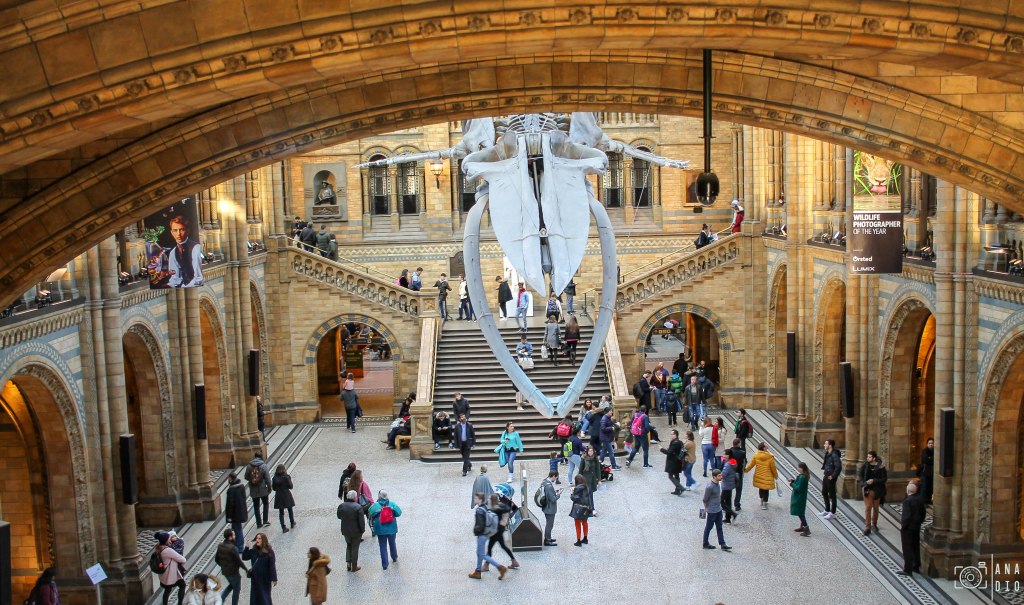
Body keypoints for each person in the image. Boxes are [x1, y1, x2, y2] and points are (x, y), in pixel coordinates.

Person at [469, 492, 508, 580]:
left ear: (480, 500)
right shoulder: (485, 507)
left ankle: (500, 567)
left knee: (482, 555)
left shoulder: (479, 510)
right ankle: (477, 571)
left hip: (482, 535)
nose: (474, 500)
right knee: (479, 553)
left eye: (476, 498)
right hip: (487, 533)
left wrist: (476, 530)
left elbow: (480, 525)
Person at [367, 490, 402, 570]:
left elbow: (370, 513)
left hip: (380, 529)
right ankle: (394, 557)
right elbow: (399, 513)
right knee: (392, 543)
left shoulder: (375, 505)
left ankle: (385, 564)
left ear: (379, 496)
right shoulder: (392, 504)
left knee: (382, 546)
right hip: (392, 529)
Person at [898, 482, 927, 576]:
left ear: (907, 490)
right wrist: (919, 522)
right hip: (916, 526)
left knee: (907, 548)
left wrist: (903, 526)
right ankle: (916, 566)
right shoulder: (919, 499)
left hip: (908, 528)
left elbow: (906, 516)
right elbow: (923, 513)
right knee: (915, 546)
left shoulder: (907, 501)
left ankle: (907, 569)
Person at [484, 493, 520, 570]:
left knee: (490, 547)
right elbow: (508, 508)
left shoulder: (494, 509)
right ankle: (514, 561)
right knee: (502, 546)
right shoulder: (500, 506)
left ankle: (486, 565)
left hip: (496, 531)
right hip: (500, 529)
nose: (488, 501)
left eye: (489, 499)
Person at [167, 215, 205, 287]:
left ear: (188, 231)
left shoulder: (196, 248)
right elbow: (175, 278)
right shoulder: (173, 252)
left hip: (193, 286)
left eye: (182, 230)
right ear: (171, 232)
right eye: (175, 230)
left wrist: (184, 286)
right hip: (184, 286)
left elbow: (199, 279)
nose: (178, 234)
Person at [242, 533, 277, 605]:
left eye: (259, 538)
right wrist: (246, 547)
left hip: (265, 578)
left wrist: (274, 578)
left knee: (265, 596)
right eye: (257, 538)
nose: (257, 540)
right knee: (255, 597)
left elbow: (272, 566)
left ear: (263, 540)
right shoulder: (254, 549)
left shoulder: (269, 551)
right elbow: (244, 557)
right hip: (255, 577)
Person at [859, 450, 888, 535]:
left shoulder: (881, 467)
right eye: (867, 457)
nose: (867, 458)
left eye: (869, 457)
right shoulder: (866, 464)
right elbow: (860, 474)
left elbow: (884, 479)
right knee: (868, 507)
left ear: (874, 458)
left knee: (876, 508)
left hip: (877, 489)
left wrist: (874, 480)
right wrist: (863, 484)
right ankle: (867, 526)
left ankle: (874, 524)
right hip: (867, 489)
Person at [701, 469, 731, 551]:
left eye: (721, 475)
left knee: (719, 527)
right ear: (714, 476)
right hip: (712, 511)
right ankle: (705, 543)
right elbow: (705, 499)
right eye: (719, 476)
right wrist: (706, 508)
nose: (721, 477)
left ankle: (722, 544)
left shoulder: (718, 484)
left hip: (718, 509)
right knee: (709, 527)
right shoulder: (710, 487)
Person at [156, 531, 188, 605]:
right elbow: (183, 559)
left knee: (167, 589)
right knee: (182, 586)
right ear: (166, 540)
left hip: (164, 574)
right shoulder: (168, 550)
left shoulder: (158, 548)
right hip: (171, 574)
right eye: (169, 538)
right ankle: (180, 603)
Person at [215, 528, 246, 605]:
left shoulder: (220, 546)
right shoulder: (233, 548)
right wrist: (246, 570)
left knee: (232, 585)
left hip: (225, 572)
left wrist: (223, 566)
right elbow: (239, 561)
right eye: (234, 535)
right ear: (230, 537)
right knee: (236, 589)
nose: (235, 536)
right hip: (233, 572)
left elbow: (216, 559)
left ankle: (221, 600)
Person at [337, 490, 365, 572]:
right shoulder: (358, 507)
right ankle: (354, 566)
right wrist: (362, 530)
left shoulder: (341, 506)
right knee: (355, 547)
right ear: (355, 497)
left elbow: (339, 516)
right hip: (356, 532)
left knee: (348, 545)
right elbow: (361, 521)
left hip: (345, 530)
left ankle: (348, 563)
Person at [745, 442, 779, 510]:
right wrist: (776, 475)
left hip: (759, 474)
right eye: (766, 446)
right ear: (764, 448)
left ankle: (761, 499)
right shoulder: (770, 457)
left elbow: (751, 464)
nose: (768, 447)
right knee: (766, 489)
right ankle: (764, 503)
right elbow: (773, 468)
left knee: (761, 487)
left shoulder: (756, 455)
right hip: (767, 476)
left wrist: (745, 470)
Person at [245, 454, 272, 528]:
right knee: (265, 503)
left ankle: (258, 523)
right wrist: (269, 487)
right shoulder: (263, 465)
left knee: (256, 506)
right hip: (263, 488)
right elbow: (267, 479)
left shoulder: (249, 466)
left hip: (253, 489)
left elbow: (246, 477)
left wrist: (252, 480)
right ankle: (265, 520)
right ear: (261, 457)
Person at [224, 472, 247, 551]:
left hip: (235, 514)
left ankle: (239, 546)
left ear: (231, 478)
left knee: (237, 529)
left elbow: (230, 504)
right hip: (241, 511)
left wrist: (229, 516)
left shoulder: (231, 489)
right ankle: (237, 544)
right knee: (237, 528)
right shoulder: (241, 486)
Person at [820, 439, 842, 520]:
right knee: (824, 492)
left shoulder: (834, 455)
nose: (824, 445)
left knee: (832, 495)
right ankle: (827, 509)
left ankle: (832, 512)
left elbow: (838, 467)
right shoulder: (828, 453)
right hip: (826, 475)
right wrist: (824, 469)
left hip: (831, 477)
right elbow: (826, 463)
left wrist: (833, 476)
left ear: (830, 446)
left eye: (826, 444)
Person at [569, 474, 594, 547]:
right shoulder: (587, 487)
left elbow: (574, 498)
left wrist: (571, 493)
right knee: (585, 523)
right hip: (586, 508)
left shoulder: (577, 488)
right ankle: (585, 538)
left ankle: (578, 540)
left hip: (578, 508)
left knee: (577, 524)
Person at [789, 462, 812, 536]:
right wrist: (793, 481)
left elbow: (798, 488)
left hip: (799, 498)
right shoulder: (803, 476)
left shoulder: (802, 477)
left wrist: (791, 484)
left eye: (798, 467)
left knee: (800, 513)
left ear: (802, 468)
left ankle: (806, 529)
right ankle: (802, 527)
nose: (797, 468)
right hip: (801, 497)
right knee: (800, 512)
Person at [271, 464, 296, 532]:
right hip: (286, 495)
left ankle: (283, 527)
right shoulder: (286, 477)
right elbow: (291, 486)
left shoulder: (274, 478)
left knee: (281, 512)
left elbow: (274, 488)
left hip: (279, 496)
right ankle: (292, 522)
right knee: (290, 509)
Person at [661, 429, 685, 495]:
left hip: (673, 462)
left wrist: (661, 449)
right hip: (678, 461)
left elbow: (669, 452)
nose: (670, 435)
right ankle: (677, 490)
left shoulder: (675, 443)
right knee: (676, 475)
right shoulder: (680, 442)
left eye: (672, 434)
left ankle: (680, 487)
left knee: (670, 476)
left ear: (675, 435)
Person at [540, 470, 561, 545]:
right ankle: (547, 540)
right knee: (549, 524)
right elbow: (553, 499)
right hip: (549, 508)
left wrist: (553, 492)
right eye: (556, 478)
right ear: (553, 476)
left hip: (546, 507)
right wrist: (558, 494)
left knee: (549, 524)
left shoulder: (545, 481)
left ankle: (548, 537)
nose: (555, 480)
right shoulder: (549, 486)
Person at [720, 449, 738, 523]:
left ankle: (732, 514)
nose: (723, 456)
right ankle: (728, 518)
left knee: (721, 501)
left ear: (728, 455)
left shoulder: (728, 464)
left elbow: (723, 475)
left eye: (724, 454)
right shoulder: (733, 462)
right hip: (730, 484)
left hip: (726, 485)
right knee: (728, 501)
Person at [731, 438, 748, 511]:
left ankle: (727, 504)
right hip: (739, 473)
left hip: (731, 473)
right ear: (739, 444)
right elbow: (745, 462)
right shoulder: (742, 452)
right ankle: (737, 504)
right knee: (739, 490)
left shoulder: (730, 451)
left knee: (729, 490)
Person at [917, 438, 935, 505]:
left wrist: (930, 458)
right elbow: (925, 460)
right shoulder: (924, 451)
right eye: (929, 443)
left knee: (930, 487)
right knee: (924, 487)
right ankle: (922, 502)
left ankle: (928, 500)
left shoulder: (935, 451)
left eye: (932, 443)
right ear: (927, 444)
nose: (931, 444)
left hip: (932, 473)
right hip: (925, 472)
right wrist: (930, 459)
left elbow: (934, 460)